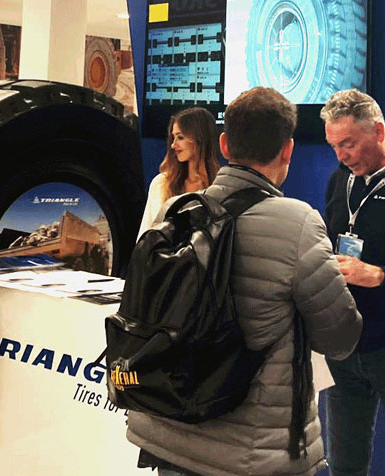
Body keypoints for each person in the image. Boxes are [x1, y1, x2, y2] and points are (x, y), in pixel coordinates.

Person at [126, 87, 362, 476]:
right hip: (252, 452)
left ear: (224, 144)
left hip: (168, 430)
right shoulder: (299, 223)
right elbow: (340, 337)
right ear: (287, 150)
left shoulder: (176, 211)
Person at [321, 89, 385, 476]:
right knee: (344, 465)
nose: (341, 156)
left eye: (348, 143)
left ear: (378, 131)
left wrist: (379, 275)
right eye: (334, 146)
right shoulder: (339, 180)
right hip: (345, 345)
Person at [138, 106, 219, 235]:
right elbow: (146, 234)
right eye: (173, 138)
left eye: (180, 137)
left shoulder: (219, 186)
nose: (173, 145)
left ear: (200, 139)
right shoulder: (161, 184)